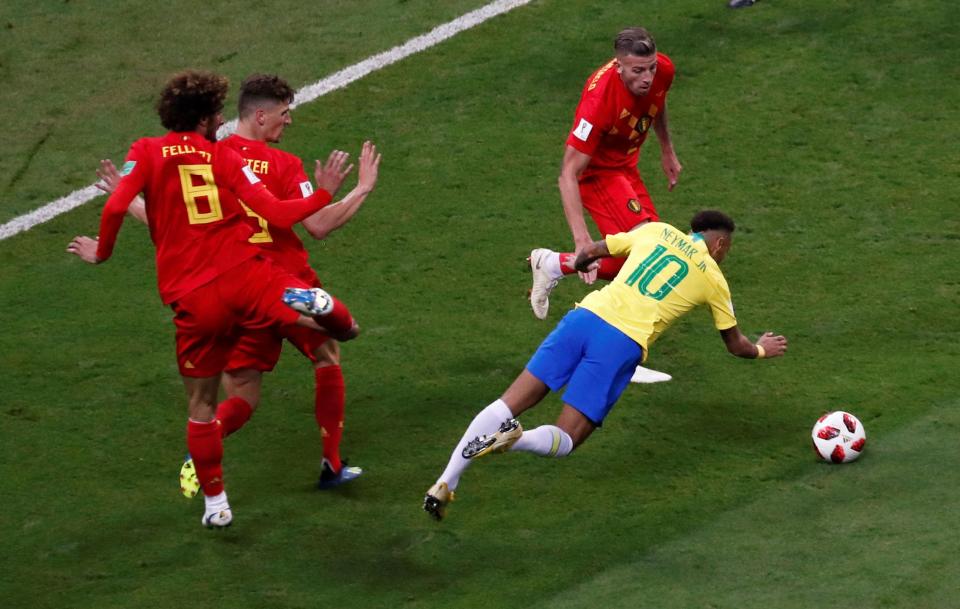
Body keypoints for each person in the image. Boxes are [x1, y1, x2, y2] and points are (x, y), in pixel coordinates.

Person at [68, 69, 362, 529]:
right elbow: (287, 215)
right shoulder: (226, 158)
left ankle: (215, 501)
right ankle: (334, 324)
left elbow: (143, 215)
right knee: (331, 338)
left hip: (195, 297)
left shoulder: (148, 152)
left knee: (209, 403)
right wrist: (336, 190)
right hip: (252, 276)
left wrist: (105, 245)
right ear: (209, 117)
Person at [424, 210, 787, 520]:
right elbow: (735, 345)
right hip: (620, 344)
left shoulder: (655, 229)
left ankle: (446, 482)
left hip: (584, 318)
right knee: (567, 438)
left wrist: (578, 264)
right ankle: (517, 439)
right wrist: (760, 350)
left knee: (508, 402)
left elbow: (592, 252)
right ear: (720, 245)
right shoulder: (714, 278)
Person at [529, 27, 681, 384]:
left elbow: (657, 103)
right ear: (618, 66)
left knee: (651, 258)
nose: (646, 78)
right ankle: (619, 355)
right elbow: (568, 173)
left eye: (650, 68)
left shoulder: (664, 71)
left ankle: (554, 264)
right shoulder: (598, 102)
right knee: (650, 257)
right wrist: (583, 241)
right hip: (597, 175)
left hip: (625, 167)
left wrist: (666, 149)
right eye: (636, 71)